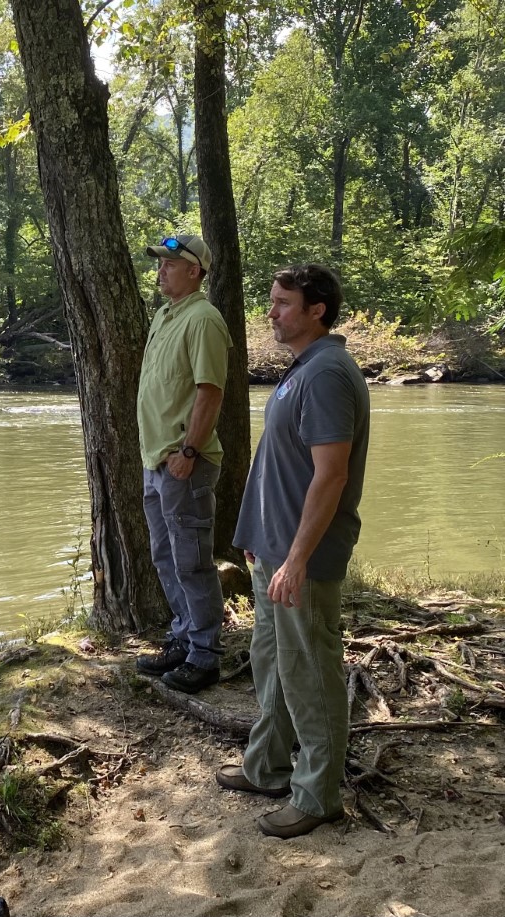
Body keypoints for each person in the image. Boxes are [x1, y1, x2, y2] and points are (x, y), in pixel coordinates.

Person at [216, 264, 370, 839]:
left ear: (316, 311)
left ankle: (317, 795)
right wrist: (260, 541)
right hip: (274, 551)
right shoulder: (304, 368)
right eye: (272, 301)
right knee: (273, 664)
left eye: (283, 303)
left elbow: (331, 476)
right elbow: (283, 466)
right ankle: (268, 767)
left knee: (310, 675)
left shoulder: (327, 374)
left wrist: (298, 557)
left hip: (303, 559)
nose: (272, 312)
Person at [134, 234, 233, 694]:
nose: (161, 271)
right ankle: (183, 638)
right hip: (155, 460)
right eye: (160, 264)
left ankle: (205, 655)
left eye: (170, 264)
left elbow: (209, 391)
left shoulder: (204, 319)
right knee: (164, 555)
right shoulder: (164, 316)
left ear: (195, 271)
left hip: (184, 462)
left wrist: (189, 451)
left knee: (192, 561)